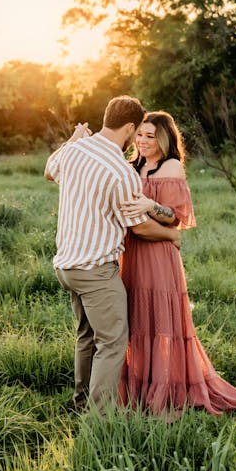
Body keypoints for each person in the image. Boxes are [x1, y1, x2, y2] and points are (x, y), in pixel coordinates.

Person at [44, 96, 181, 414]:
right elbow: (142, 228)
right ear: (131, 128)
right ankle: (101, 420)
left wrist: (72, 139)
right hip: (95, 272)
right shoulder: (121, 171)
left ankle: (81, 405)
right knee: (113, 341)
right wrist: (171, 233)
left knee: (88, 336)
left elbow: (50, 171)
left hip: (66, 266)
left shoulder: (75, 150)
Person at [118, 110, 236, 416]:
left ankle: (168, 384)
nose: (142, 141)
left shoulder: (171, 167)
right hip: (133, 251)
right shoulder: (133, 166)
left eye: (150, 136)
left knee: (161, 316)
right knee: (137, 315)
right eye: (139, 134)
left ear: (165, 138)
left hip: (159, 254)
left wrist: (149, 204)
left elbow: (175, 218)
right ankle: (140, 384)